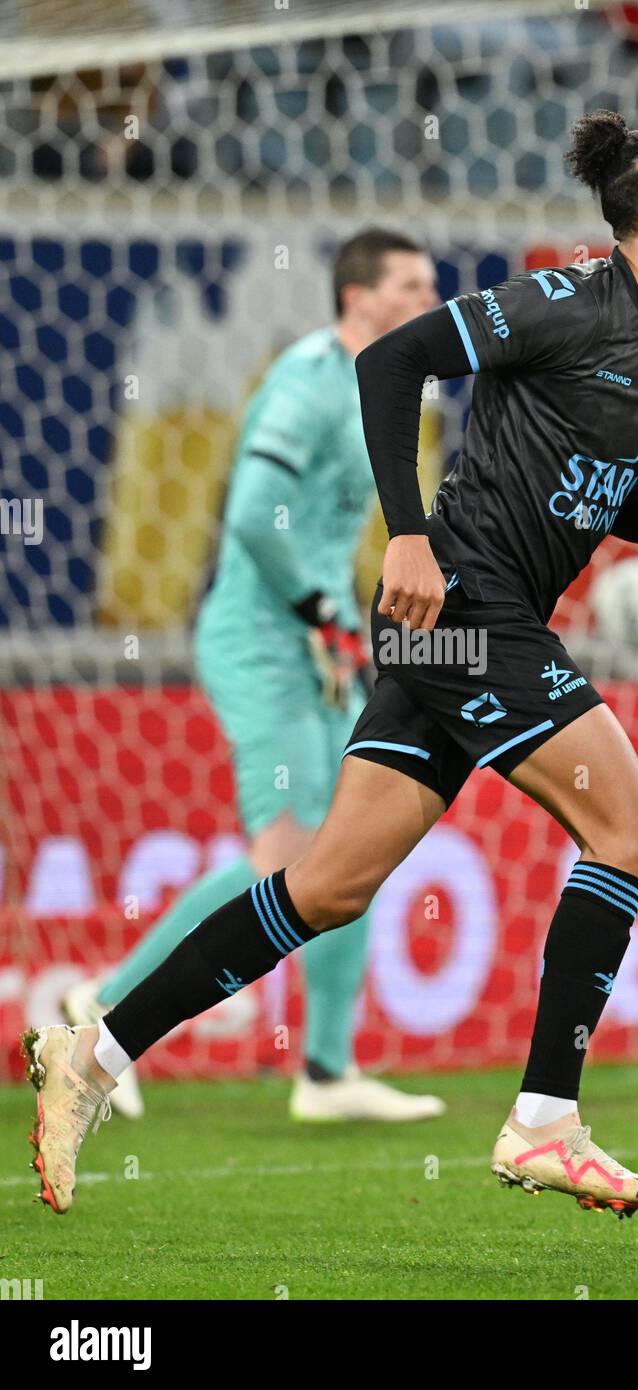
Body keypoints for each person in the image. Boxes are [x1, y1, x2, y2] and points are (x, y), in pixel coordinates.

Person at [23, 109, 638, 1218]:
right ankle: (545, 1121)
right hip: (457, 606)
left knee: (327, 883)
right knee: (631, 832)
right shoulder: (560, 301)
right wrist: (405, 529)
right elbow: (393, 358)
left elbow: (599, 486)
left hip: (467, 626)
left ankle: (98, 1053)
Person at [62, 227, 445, 1127]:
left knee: (356, 840)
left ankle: (325, 1069)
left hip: (326, 641)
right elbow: (251, 518)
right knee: (285, 856)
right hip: (265, 641)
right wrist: (320, 608)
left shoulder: (381, 386)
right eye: (412, 282)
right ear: (360, 298)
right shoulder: (309, 381)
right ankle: (104, 1004)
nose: (430, 295)